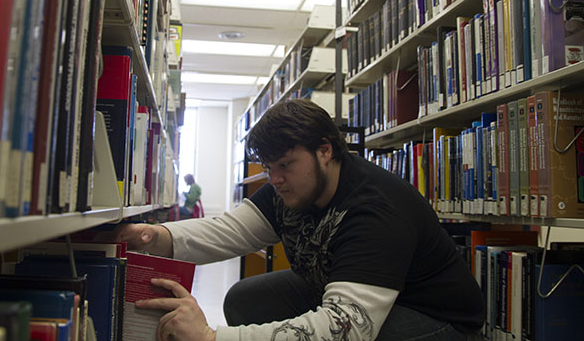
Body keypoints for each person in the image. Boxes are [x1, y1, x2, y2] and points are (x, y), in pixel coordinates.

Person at [114, 99, 485, 341]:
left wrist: (212, 338)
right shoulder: (291, 188)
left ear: (325, 150)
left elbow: (346, 326)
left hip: (433, 316)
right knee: (247, 299)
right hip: (339, 286)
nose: (275, 179)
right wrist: (153, 235)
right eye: (270, 167)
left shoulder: (374, 210)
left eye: (286, 165)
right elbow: (230, 229)